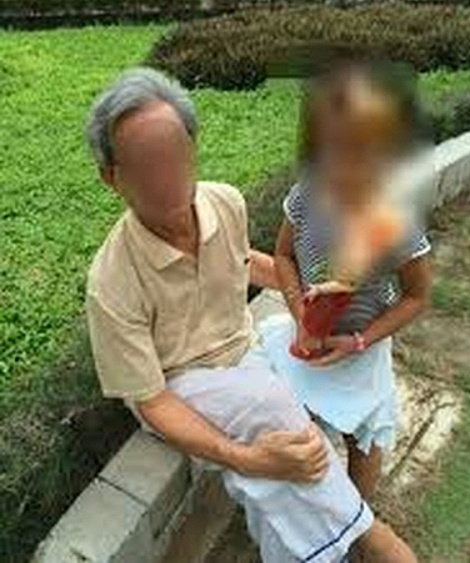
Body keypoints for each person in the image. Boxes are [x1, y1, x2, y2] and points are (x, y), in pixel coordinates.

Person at [85, 67, 419, 562]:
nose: (165, 175)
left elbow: (245, 263)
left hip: (246, 350)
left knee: (362, 367)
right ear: (112, 177)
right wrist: (245, 457)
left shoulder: (224, 202)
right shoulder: (111, 281)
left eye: (175, 153)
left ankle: (333, 530)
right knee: (268, 409)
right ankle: (370, 534)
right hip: (181, 381)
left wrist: (312, 305)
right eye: (144, 164)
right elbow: (152, 401)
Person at [261, 60, 433, 501]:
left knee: (364, 434)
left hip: (362, 347)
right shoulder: (306, 196)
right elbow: (283, 255)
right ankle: (309, 503)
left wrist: (360, 340)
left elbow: (416, 296)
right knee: (297, 419)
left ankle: (359, 515)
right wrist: (300, 311)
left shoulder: (393, 220)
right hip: (307, 339)